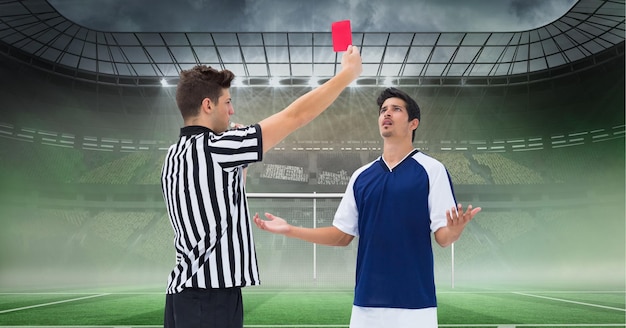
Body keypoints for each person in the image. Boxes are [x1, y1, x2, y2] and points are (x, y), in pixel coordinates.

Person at [161, 45, 362, 328]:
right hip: (210, 297)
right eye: (226, 102)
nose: (231, 110)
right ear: (208, 105)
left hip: (183, 293)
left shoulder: (173, 155)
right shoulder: (219, 148)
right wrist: (346, 74)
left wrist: (239, 163)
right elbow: (295, 116)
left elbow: (223, 198)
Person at [253, 87, 481, 328]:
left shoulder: (432, 170)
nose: (387, 114)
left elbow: (443, 238)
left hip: (416, 304)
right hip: (366, 305)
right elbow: (342, 235)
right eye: (383, 110)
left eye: (396, 109)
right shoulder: (361, 176)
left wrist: (455, 230)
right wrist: (290, 229)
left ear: (413, 123)